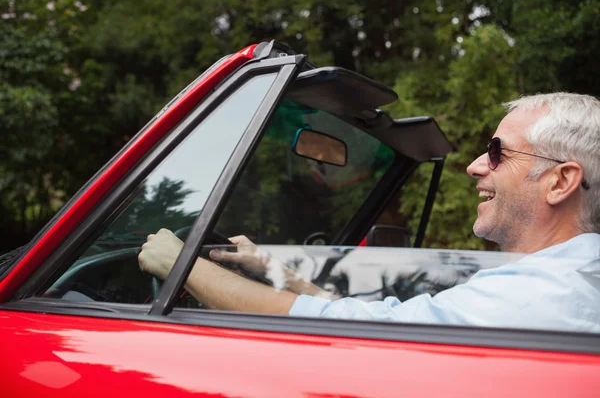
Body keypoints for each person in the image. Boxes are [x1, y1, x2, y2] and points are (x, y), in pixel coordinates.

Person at [139, 92, 600, 332]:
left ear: (561, 181)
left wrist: (183, 266)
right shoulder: (569, 278)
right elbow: (391, 324)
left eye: (498, 153)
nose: (475, 165)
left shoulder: (536, 295)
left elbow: (351, 334)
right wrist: (276, 273)